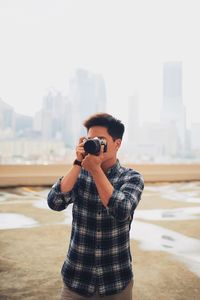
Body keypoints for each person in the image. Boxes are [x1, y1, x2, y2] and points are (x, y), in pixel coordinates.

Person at [47, 113, 144, 300]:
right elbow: (55, 202)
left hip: (116, 279)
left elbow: (121, 210)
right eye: (91, 140)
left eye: (101, 140)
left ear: (117, 144)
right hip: (76, 278)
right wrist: (78, 163)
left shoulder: (131, 178)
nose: (95, 144)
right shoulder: (80, 174)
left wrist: (96, 170)